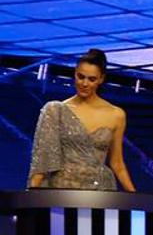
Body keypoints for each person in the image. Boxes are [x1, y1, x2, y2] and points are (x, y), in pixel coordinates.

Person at [27, 49, 136, 192]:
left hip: (101, 192)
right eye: (81, 76)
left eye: (92, 79)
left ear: (101, 79)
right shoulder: (55, 110)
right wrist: (32, 196)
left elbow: (117, 163)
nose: (84, 83)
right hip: (62, 190)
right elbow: (42, 159)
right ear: (75, 73)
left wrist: (136, 197)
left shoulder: (116, 115)